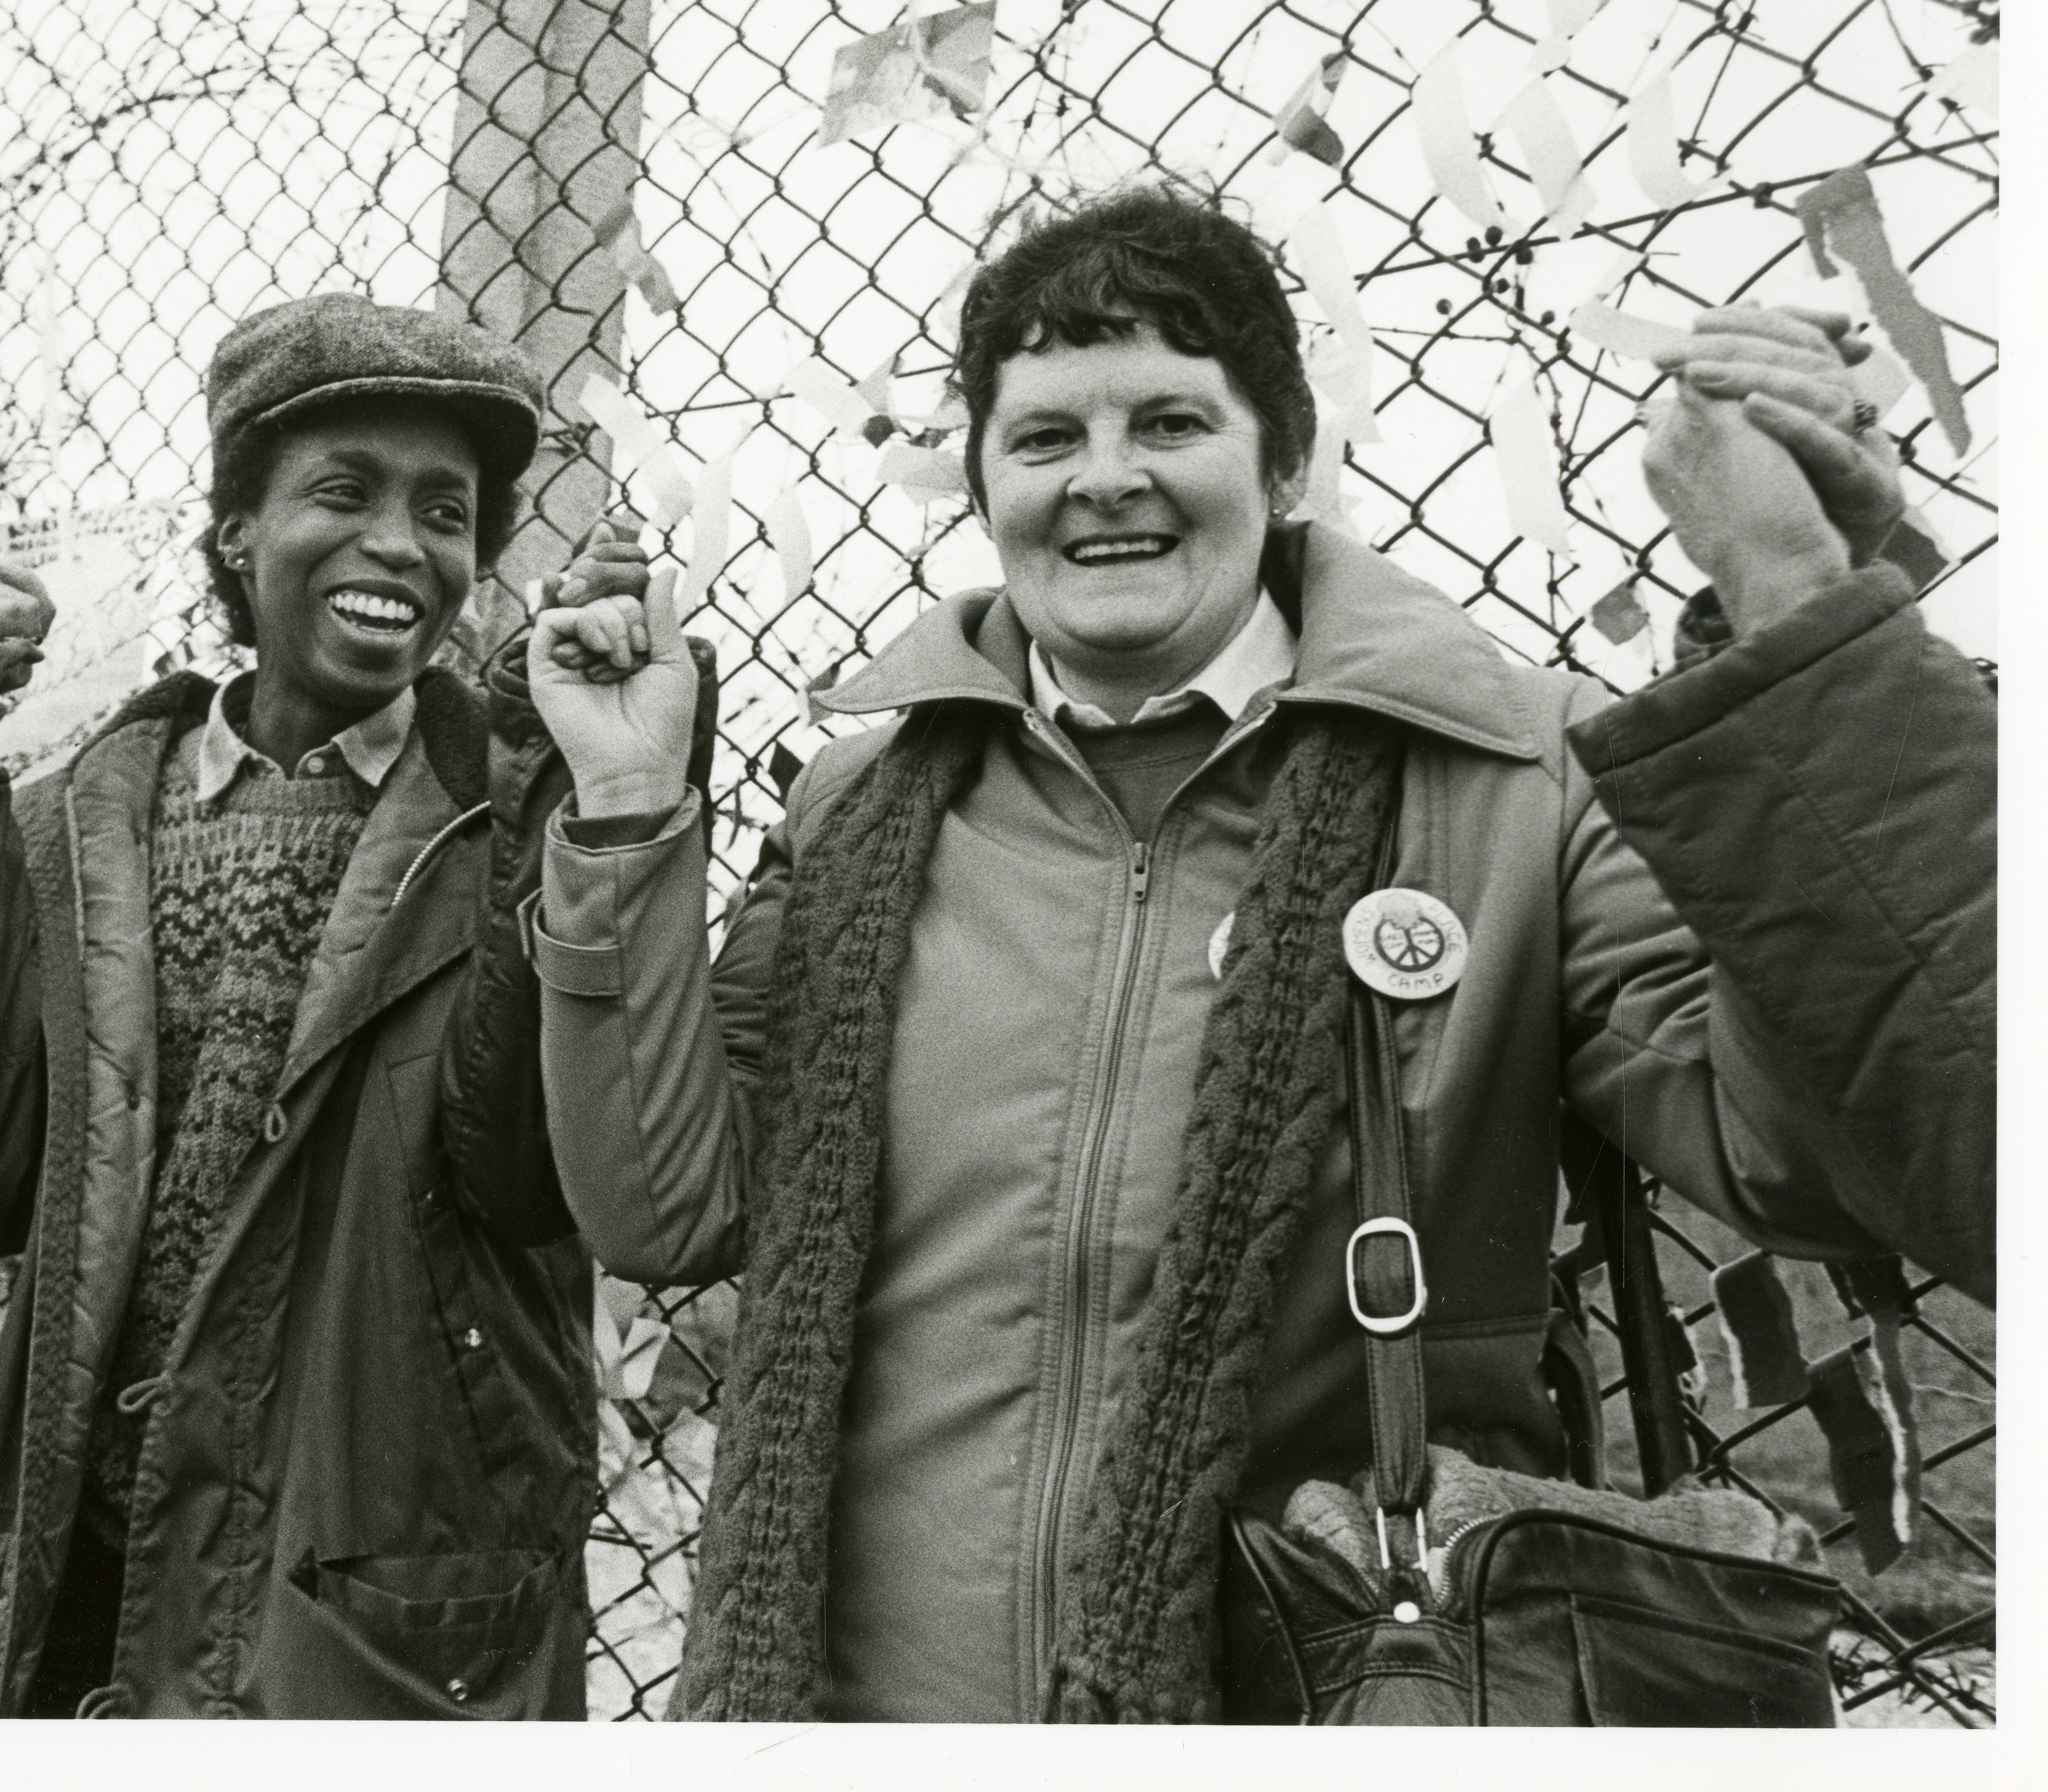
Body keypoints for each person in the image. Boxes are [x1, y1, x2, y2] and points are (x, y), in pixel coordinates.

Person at [524, 183, 1994, 1723]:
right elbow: (665, 1207)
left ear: (1283, 460)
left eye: (1167, 421)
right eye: (1040, 438)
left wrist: (1790, 624)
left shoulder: (1522, 772)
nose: (1102, 481)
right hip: (853, 1708)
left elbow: (1821, 1167)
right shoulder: (859, 796)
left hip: (1327, 1700)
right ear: (977, 481)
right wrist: (625, 807)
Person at [0, 294, 683, 1718]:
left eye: (445, 511)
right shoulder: (79, 829)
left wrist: (557, 801)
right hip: (80, 1549)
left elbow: (524, 1170)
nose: (400, 542)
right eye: (342, 492)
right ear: (233, 534)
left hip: (358, 1578)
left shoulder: (502, 814)